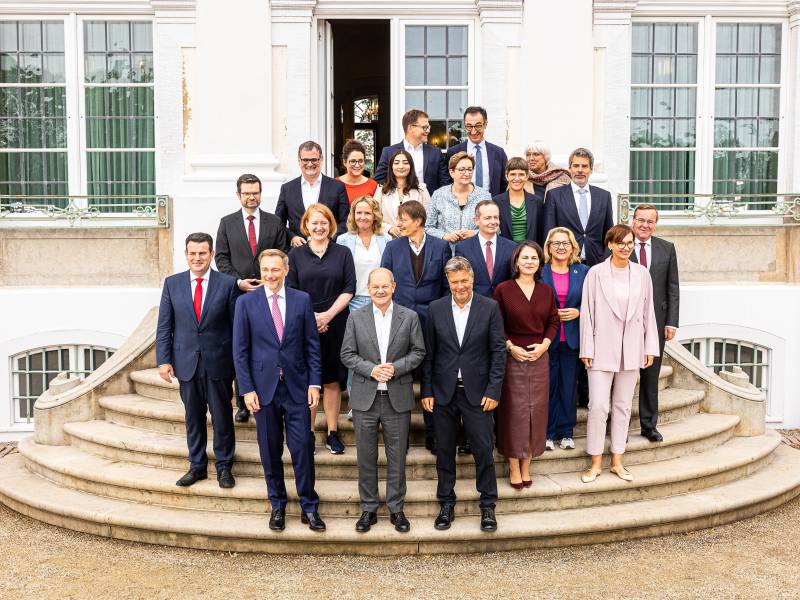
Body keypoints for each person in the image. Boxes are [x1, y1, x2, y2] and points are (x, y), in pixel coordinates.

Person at [232, 249, 326, 531]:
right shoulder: (246, 303)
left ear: (286, 270)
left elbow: (312, 345)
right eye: (265, 270)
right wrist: (246, 389)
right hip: (263, 391)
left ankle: (309, 506)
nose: (270, 275)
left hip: (298, 388)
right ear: (260, 272)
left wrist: (314, 383)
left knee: (302, 448)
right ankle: (278, 506)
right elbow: (240, 351)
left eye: (275, 269)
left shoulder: (301, 300)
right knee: (270, 450)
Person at [421, 257, 506, 532]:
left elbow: (498, 352)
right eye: (455, 281)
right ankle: (446, 503)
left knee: (483, 450)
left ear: (472, 279)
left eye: (464, 280)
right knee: (444, 450)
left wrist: (494, 389)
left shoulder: (489, 307)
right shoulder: (435, 309)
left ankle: (488, 506)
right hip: (444, 394)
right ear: (448, 282)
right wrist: (427, 390)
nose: (460, 286)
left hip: (479, 394)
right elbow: (429, 354)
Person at [340, 268, 426, 534]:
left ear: (393, 286)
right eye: (375, 286)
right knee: (366, 456)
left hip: (396, 396)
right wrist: (371, 369)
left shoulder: (409, 317)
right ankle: (368, 509)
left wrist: (396, 368)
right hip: (365, 396)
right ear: (368, 288)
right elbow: (347, 354)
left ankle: (396, 508)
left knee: (396, 456)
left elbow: (418, 351)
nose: (379, 290)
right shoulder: (356, 317)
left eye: (384, 286)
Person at [156, 232, 239, 489]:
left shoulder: (227, 284)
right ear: (186, 255)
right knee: (193, 417)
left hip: (219, 362)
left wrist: (238, 365)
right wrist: (163, 360)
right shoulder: (173, 283)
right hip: (186, 363)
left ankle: (224, 467)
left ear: (212, 254)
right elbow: (164, 326)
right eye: (192, 253)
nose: (197, 258)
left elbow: (237, 328)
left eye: (203, 253)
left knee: (223, 417)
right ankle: (197, 466)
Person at [579, 224, 660, 484]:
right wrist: (587, 348)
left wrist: (650, 347)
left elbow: (649, 313)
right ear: (610, 245)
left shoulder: (642, 274)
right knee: (599, 406)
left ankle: (617, 459)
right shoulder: (595, 273)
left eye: (629, 243)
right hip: (601, 347)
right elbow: (587, 312)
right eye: (620, 243)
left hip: (632, 348)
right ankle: (594, 462)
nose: (625, 247)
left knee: (623, 406)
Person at [215, 173, 290, 423]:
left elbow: (282, 253)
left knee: (270, 345)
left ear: (260, 193)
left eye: (255, 192)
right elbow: (221, 258)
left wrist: (268, 281)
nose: (251, 196)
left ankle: (273, 394)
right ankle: (243, 403)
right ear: (238, 195)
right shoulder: (227, 223)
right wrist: (239, 281)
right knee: (243, 346)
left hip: (272, 293)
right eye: (246, 193)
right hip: (239, 296)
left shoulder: (275, 222)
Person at [381, 200, 451, 454]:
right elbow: (385, 283)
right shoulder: (392, 247)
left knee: (431, 377)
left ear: (418, 221)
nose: (398, 224)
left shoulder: (441, 247)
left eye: (402, 219)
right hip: (399, 322)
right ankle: (400, 438)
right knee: (399, 379)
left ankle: (433, 435)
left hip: (432, 321)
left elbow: (446, 288)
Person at [287, 204, 355, 455]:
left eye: (324, 223)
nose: (319, 227)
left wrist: (327, 315)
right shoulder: (295, 256)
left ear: (331, 225)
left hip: (336, 321)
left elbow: (349, 288)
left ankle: (333, 432)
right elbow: (291, 290)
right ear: (306, 225)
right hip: (304, 324)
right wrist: (312, 317)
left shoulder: (343, 252)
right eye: (314, 223)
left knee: (332, 380)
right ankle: (309, 432)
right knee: (308, 379)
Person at [493, 242, 559, 488]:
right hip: (513, 358)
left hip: (539, 358)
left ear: (540, 263)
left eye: (534, 258)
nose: (529, 262)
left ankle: (526, 465)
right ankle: (513, 466)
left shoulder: (545, 291)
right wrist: (510, 347)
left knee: (536, 413)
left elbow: (554, 321)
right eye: (525, 258)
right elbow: (495, 324)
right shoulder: (504, 289)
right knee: (514, 413)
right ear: (516, 262)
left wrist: (544, 345)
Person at [630, 204, 680, 443]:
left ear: (655, 224)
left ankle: (649, 425)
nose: (645, 225)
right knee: (623, 374)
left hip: (656, 323)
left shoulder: (666, 248)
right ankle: (618, 426)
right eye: (641, 220)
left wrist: (671, 322)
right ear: (633, 221)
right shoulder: (621, 245)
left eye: (650, 221)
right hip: (626, 323)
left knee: (651, 376)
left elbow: (673, 288)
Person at [540, 227, 589, 451]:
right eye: (556, 243)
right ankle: (548, 433)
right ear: (549, 247)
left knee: (569, 387)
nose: (561, 247)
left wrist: (578, 311)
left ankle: (566, 432)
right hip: (546, 339)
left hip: (571, 338)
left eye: (565, 243)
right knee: (548, 387)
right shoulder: (540, 272)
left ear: (573, 247)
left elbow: (593, 302)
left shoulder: (584, 271)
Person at [542, 147, 614, 267]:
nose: (580, 170)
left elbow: (608, 233)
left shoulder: (604, 196)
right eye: (576, 166)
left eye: (584, 166)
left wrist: (606, 259)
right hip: (564, 262)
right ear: (569, 168)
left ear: (591, 169)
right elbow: (549, 233)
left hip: (596, 262)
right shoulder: (554, 195)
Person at [275, 140, 349, 247]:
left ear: (321, 160)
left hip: (329, 249)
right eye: (305, 160)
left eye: (314, 159)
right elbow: (278, 222)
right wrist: (292, 237)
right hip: (298, 252)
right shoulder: (287, 188)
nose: (310, 164)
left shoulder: (337, 187)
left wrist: (330, 237)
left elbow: (346, 220)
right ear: (299, 161)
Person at [374, 109, 449, 195]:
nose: (428, 131)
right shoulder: (389, 152)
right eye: (424, 127)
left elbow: (445, 183)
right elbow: (379, 182)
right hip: (398, 205)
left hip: (428, 205)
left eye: (428, 127)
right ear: (410, 128)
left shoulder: (435, 153)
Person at [426, 151, 492, 247]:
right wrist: (444, 236)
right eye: (462, 169)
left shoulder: (484, 196)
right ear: (452, 172)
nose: (467, 173)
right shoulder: (439, 195)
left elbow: (494, 228)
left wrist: (474, 233)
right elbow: (428, 227)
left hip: (474, 251)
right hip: (444, 252)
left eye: (470, 169)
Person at [454, 200, 516, 298]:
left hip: (504, 305)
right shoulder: (463, 248)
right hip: (475, 304)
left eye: (496, 217)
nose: (493, 222)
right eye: (487, 218)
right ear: (476, 221)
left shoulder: (512, 247)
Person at [445, 106, 508, 197]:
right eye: (469, 126)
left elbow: (504, 184)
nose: (473, 131)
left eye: (478, 125)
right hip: (461, 207)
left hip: (491, 207)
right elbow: (447, 183)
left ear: (485, 124)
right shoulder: (453, 152)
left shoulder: (499, 153)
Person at [374, 149, 431, 239]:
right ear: (391, 167)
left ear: (410, 166)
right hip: (388, 240)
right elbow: (374, 217)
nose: (401, 166)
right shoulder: (381, 189)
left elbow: (429, 217)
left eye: (405, 163)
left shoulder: (421, 189)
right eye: (396, 163)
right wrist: (389, 228)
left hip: (415, 240)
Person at [494, 157, 545, 245]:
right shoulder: (496, 201)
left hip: (530, 252)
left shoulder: (537, 202)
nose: (517, 178)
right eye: (513, 174)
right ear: (506, 176)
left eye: (521, 174)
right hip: (505, 251)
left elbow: (540, 232)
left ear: (527, 176)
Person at [337, 139, 378, 204]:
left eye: (360, 161)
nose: (357, 165)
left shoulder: (373, 185)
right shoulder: (335, 184)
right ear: (344, 162)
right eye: (353, 161)